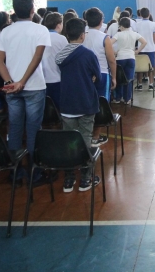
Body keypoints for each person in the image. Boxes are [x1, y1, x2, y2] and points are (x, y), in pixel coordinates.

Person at [0, 0, 52, 185]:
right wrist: (22, 81)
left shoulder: (6, 32)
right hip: (34, 86)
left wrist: (11, 81)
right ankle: (35, 173)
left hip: (12, 88)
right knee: (33, 129)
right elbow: (36, 58)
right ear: (32, 10)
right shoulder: (40, 29)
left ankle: (16, 172)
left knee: (15, 128)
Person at [55, 18, 101, 193]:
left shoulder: (60, 56)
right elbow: (98, 77)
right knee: (86, 138)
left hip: (67, 103)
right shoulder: (88, 54)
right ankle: (86, 178)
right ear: (83, 35)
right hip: (86, 102)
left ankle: (69, 178)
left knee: (70, 141)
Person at [83, 8, 117, 107]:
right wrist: (114, 77)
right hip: (102, 73)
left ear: (86, 21)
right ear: (101, 21)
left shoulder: (82, 36)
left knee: (88, 100)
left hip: (86, 73)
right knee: (103, 103)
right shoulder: (105, 37)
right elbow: (111, 60)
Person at [111, 16, 146, 104]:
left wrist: (114, 52)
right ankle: (127, 99)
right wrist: (137, 51)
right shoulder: (134, 33)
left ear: (121, 26)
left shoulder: (118, 34)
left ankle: (118, 98)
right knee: (129, 79)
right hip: (131, 57)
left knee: (119, 79)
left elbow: (109, 43)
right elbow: (144, 42)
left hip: (120, 58)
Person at [40, 12, 67, 114]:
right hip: (57, 79)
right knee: (60, 109)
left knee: (45, 109)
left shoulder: (40, 37)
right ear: (59, 25)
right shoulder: (61, 39)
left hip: (42, 79)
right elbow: (66, 58)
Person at [134, 7, 155, 92]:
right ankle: (151, 84)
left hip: (140, 49)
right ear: (149, 14)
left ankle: (140, 84)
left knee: (140, 68)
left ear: (140, 15)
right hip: (150, 49)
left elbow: (135, 37)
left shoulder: (137, 25)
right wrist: (151, 43)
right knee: (151, 67)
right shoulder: (153, 24)